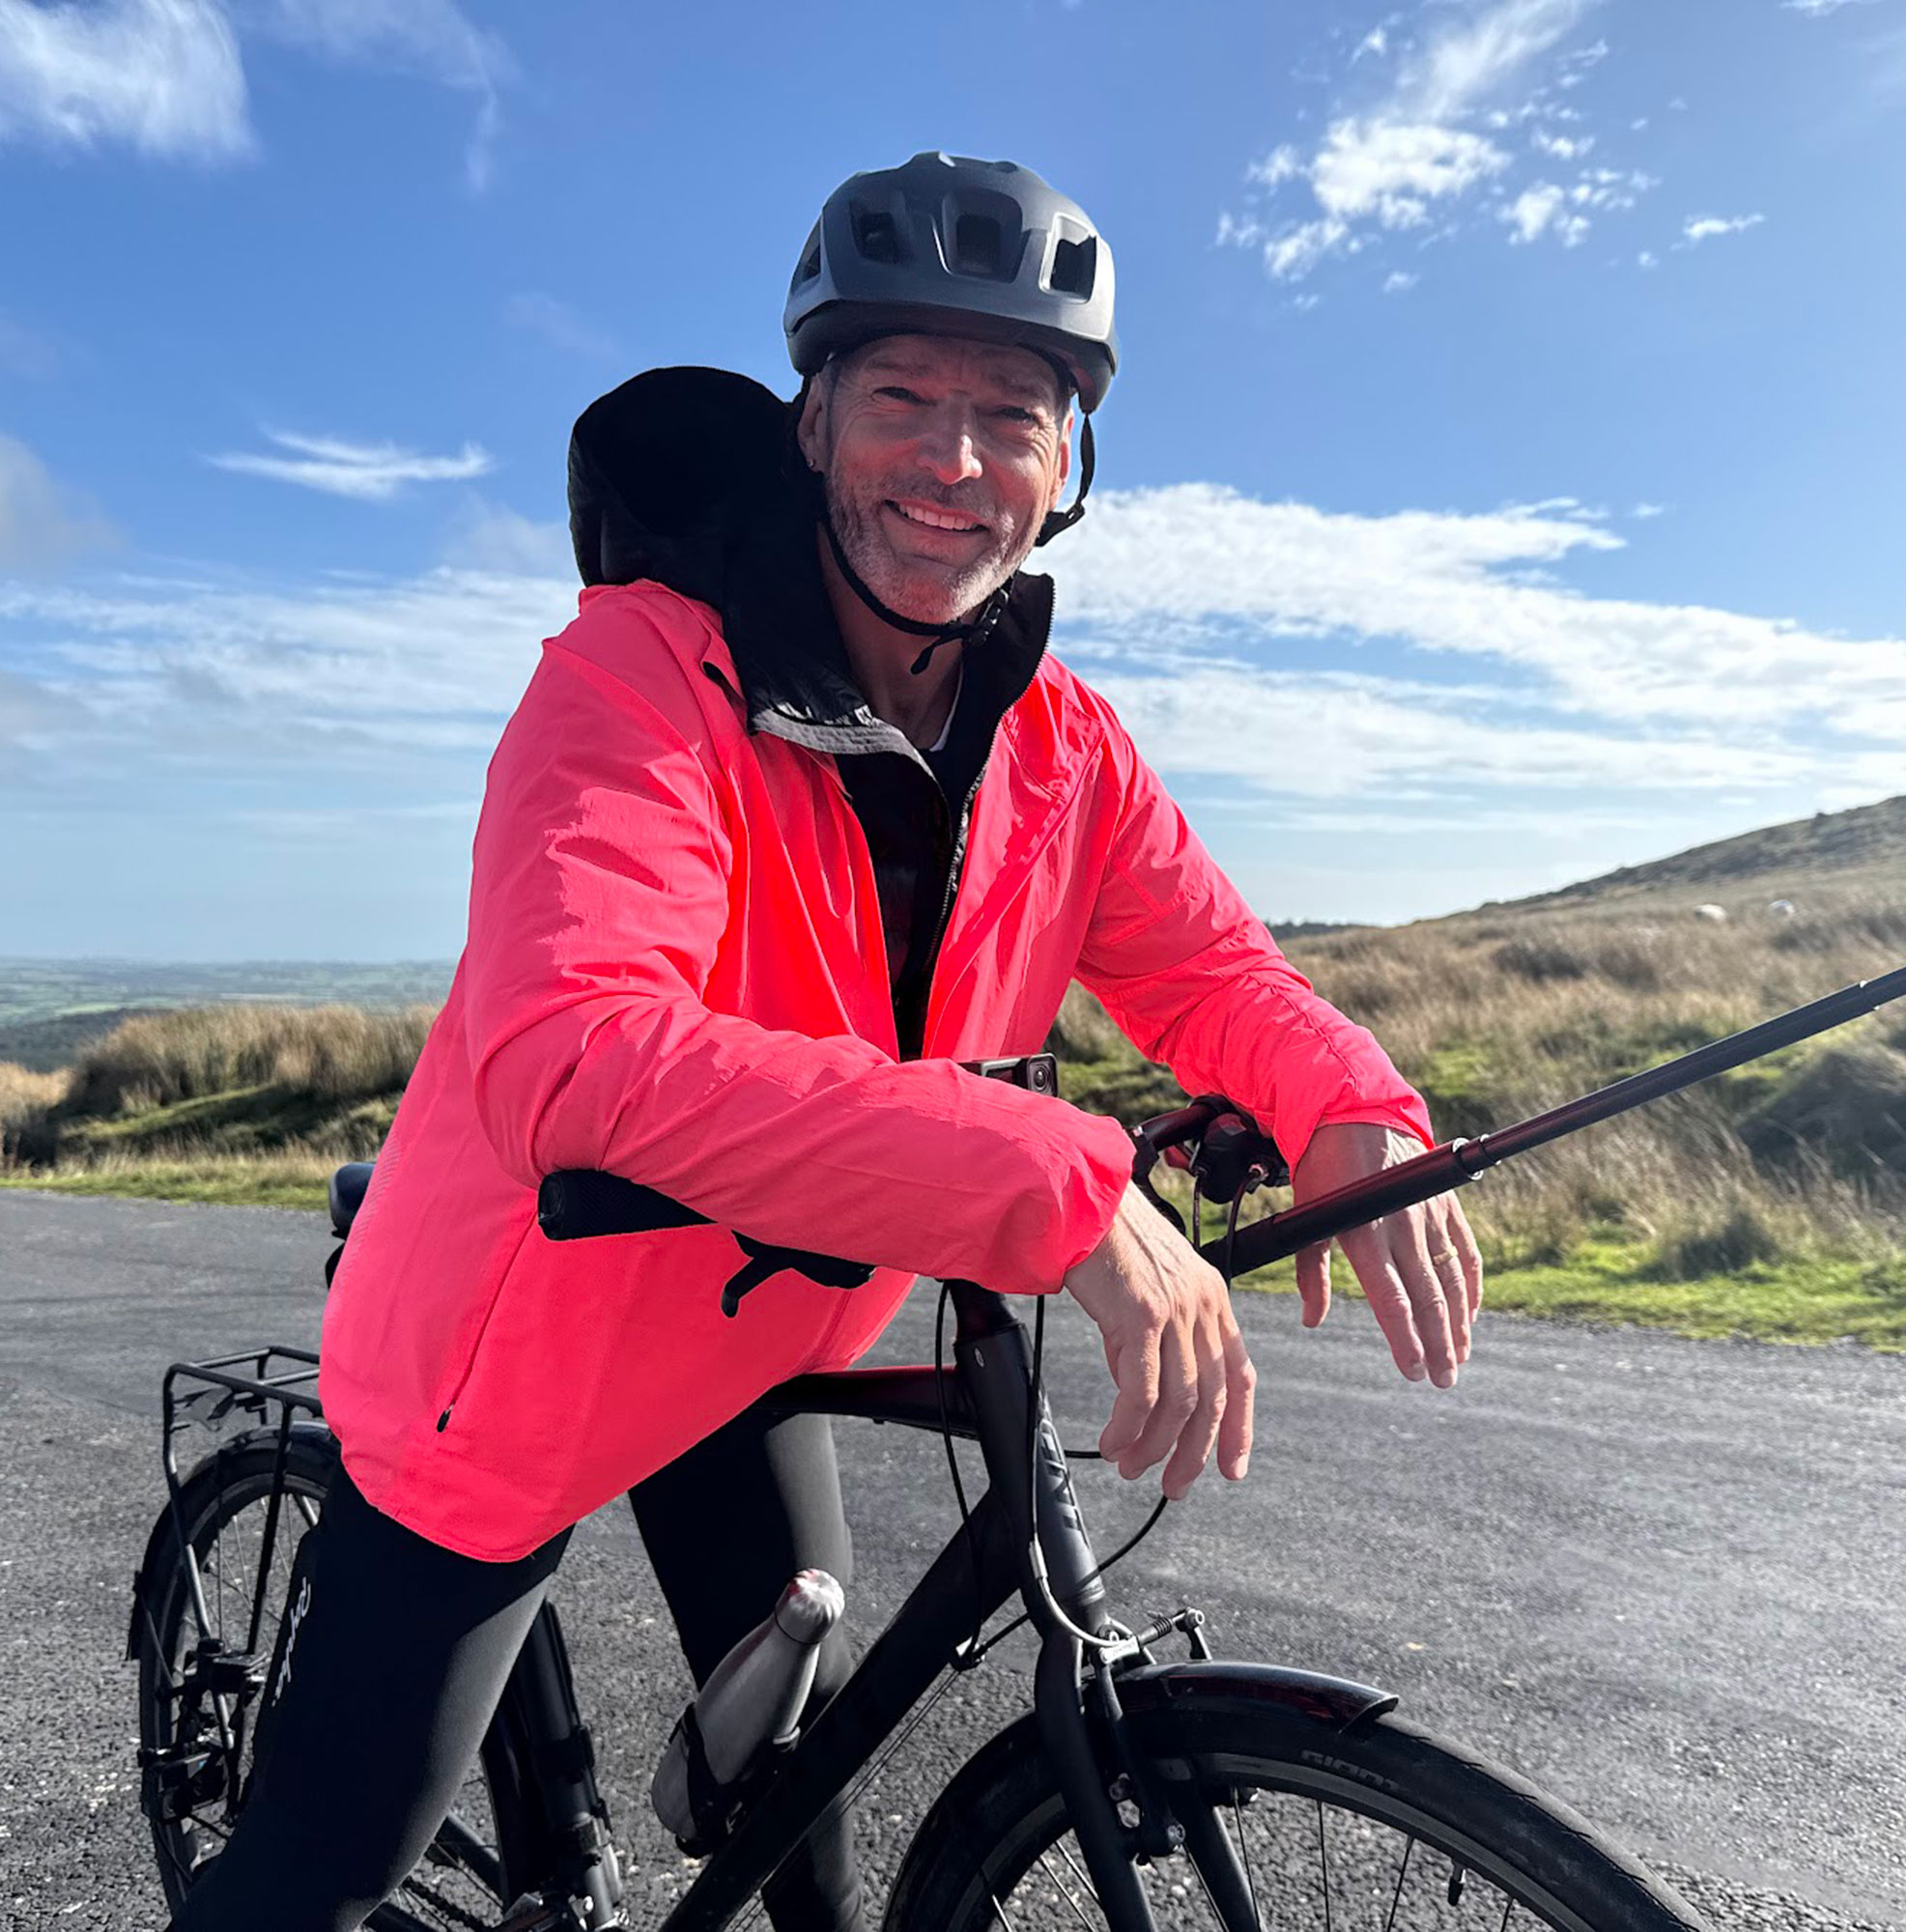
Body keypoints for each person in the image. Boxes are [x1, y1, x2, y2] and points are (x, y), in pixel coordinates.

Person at [166, 152, 1480, 1932]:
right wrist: (1062, 1186)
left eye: (1011, 412)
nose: (955, 462)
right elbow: (576, 1054)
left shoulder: (1061, 739)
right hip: (523, 1345)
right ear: (810, 427)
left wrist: (1353, 1105)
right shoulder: (639, 678)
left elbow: (1213, 970)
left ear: (1067, 464)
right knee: (321, 1872)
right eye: (903, 400)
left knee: (807, 1810)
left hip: (754, 1320)